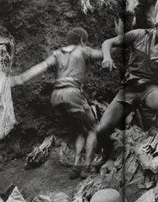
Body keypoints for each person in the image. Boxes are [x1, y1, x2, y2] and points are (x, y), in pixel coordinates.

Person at [96, 8, 158, 170]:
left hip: (150, 90)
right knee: (102, 129)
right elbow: (108, 43)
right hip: (129, 89)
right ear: (157, 26)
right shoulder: (139, 35)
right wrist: (107, 57)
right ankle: (106, 152)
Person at [10, 28, 105, 178]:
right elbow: (103, 54)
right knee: (93, 128)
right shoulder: (82, 50)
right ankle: (87, 168)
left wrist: (18, 79)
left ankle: (76, 166)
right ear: (82, 40)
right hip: (72, 93)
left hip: (56, 96)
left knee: (81, 129)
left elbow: (39, 68)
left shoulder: (57, 53)